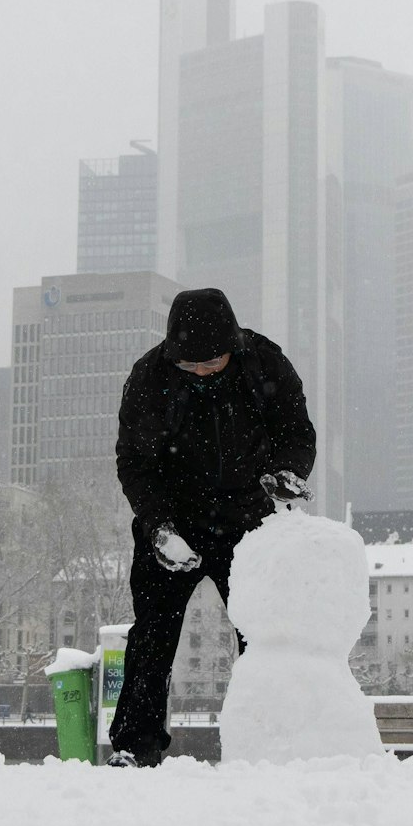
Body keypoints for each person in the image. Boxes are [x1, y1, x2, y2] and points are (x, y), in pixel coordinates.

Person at [105, 288, 316, 767]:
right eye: (189, 366)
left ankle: (272, 743)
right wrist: (158, 526)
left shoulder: (265, 364)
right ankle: (135, 747)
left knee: (262, 635)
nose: (200, 372)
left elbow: (295, 432)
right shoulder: (147, 378)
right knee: (152, 634)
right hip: (173, 520)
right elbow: (133, 461)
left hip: (250, 521)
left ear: (231, 347)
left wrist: (288, 472)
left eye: (211, 363)